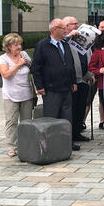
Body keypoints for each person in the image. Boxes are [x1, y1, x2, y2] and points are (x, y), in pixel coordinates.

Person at [31, 18, 79, 151]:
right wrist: (39, 86)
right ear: (54, 29)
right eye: (63, 28)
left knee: (67, 117)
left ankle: (66, 143)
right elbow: (36, 68)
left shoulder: (65, 44)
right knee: (52, 118)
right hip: (51, 89)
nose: (65, 31)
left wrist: (73, 81)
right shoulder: (43, 45)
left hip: (66, 87)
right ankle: (51, 144)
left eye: (65, 28)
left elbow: (70, 65)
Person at [0, 33, 33, 157]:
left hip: (26, 94)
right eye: (15, 45)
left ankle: (25, 144)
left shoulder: (24, 55)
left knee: (27, 121)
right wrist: (18, 64)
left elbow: (32, 68)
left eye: (20, 44)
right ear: (8, 47)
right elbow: (6, 75)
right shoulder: (3, 58)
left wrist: (27, 63)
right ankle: (12, 146)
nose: (19, 47)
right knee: (11, 122)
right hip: (10, 95)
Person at [62, 16, 95, 142]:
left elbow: (89, 56)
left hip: (84, 79)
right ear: (66, 26)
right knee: (72, 108)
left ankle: (77, 132)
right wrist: (69, 36)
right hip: (72, 81)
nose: (77, 26)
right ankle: (69, 135)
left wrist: (91, 74)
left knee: (81, 107)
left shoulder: (82, 40)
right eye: (73, 24)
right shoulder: (65, 40)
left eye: (77, 23)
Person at [84, 20, 104, 129]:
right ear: (98, 27)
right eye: (102, 27)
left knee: (102, 99)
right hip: (92, 74)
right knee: (88, 100)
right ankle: (82, 121)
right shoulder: (93, 40)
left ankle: (102, 121)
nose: (103, 29)